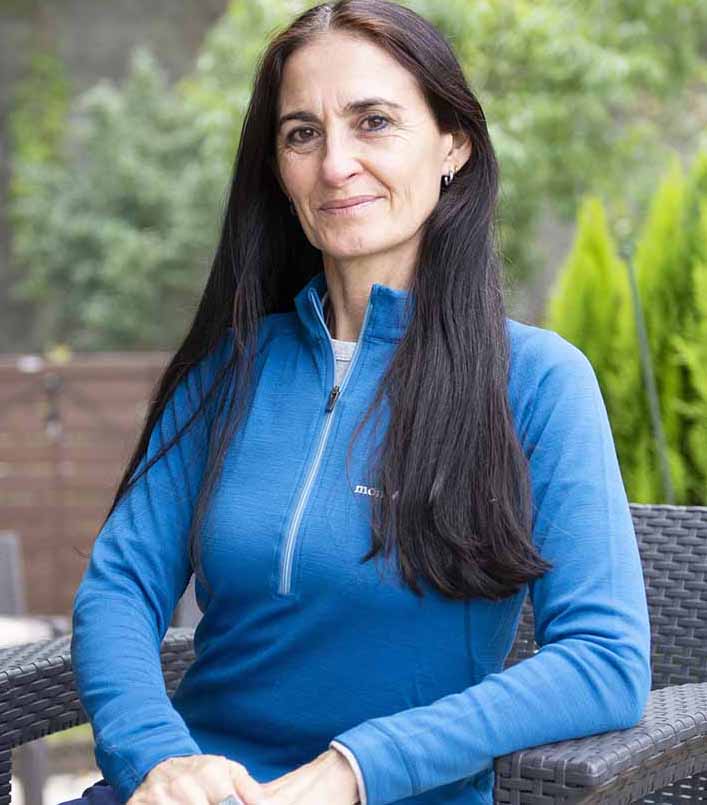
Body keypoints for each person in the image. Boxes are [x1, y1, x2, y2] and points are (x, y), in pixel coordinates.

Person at [61, 0, 652, 803]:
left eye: (373, 122)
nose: (335, 164)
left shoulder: (537, 380)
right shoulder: (229, 369)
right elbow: (119, 588)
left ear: (453, 144)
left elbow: (602, 660)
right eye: (302, 133)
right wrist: (158, 758)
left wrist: (355, 766)